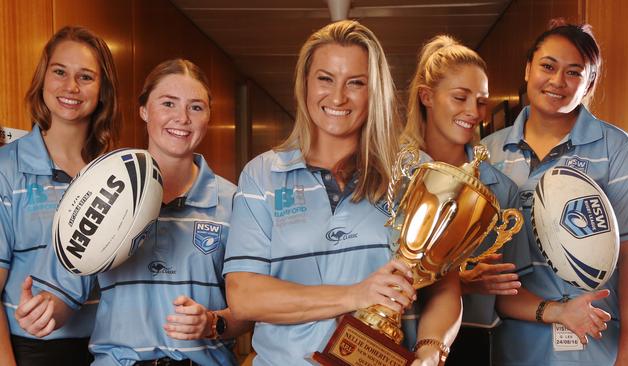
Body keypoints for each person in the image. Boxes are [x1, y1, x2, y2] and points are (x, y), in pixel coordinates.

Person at [223, 20, 462, 366]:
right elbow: (244, 296)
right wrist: (355, 295)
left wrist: (430, 351)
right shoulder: (262, 175)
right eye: (325, 79)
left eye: (356, 83)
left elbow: (444, 287)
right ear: (304, 83)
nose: (337, 97)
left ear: (375, 90)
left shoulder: (414, 171)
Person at [16, 59, 251, 365]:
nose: (182, 118)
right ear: (144, 110)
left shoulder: (233, 202)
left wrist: (212, 323)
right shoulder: (99, 187)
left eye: (196, 107)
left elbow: (249, 312)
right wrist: (43, 311)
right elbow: (63, 293)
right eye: (168, 103)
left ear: (208, 117)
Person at [482, 19, 628, 365]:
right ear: (528, 68)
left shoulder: (618, 150)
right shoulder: (488, 154)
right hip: (515, 347)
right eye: (548, 66)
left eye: (574, 72)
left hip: (596, 348)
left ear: (589, 83)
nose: (558, 81)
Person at [401, 35, 527, 365]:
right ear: (426, 96)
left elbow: (508, 290)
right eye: (460, 97)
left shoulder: (501, 191)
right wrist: (459, 281)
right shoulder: (388, 177)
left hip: (474, 343)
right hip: (391, 337)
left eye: (481, 101)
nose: (473, 112)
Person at [0, 25, 120, 366]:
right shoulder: (7, 169)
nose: (71, 87)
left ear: (102, 90)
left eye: (86, 77)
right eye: (60, 72)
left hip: (111, 350)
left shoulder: (114, 174)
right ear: (43, 78)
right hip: (33, 353)